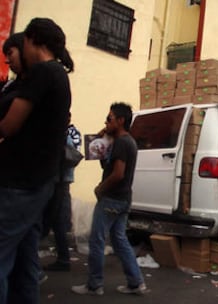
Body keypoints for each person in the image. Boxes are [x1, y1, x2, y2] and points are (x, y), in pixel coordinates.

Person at [0, 18, 73, 304]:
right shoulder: (59, 76)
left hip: (20, 182)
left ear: (32, 41)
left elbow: (8, 126)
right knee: (25, 260)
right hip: (38, 181)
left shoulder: (43, 73)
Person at [72, 102, 148, 296]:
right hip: (123, 199)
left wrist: (100, 189)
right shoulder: (125, 141)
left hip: (112, 199)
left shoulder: (122, 143)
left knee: (96, 240)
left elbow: (118, 174)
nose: (106, 122)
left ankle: (94, 284)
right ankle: (135, 282)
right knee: (119, 240)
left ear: (121, 121)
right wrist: (102, 141)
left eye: (109, 118)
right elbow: (107, 166)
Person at [43, 113, 81, 271]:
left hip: (59, 182)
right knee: (58, 221)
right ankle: (63, 258)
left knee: (50, 219)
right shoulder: (69, 134)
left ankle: (63, 259)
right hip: (62, 182)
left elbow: (66, 157)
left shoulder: (64, 135)